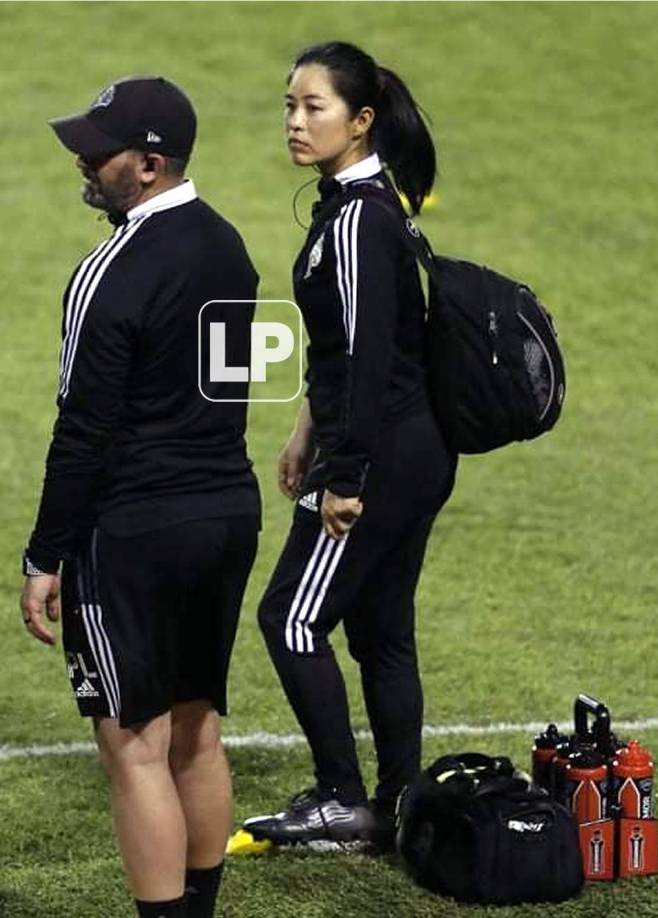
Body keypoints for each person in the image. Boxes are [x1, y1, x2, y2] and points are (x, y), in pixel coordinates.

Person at [19, 76, 261, 918]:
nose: (83, 163)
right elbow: (231, 385)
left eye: (100, 153)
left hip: (135, 529)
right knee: (196, 728)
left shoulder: (109, 270)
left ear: (150, 164)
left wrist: (45, 553)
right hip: (225, 512)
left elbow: (83, 431)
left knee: (134, 748)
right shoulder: (229, 247)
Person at [243, 42, 455, 849]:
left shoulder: (360, 219)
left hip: (381, 454)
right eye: (288, 106)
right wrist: (305, 427)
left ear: (360, 120)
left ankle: (341, 796)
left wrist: (346, 476)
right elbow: (347, 346)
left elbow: (367, 357)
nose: (295, 122)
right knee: (381, 631)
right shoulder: (357, 205)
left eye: (314, 107)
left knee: (290, 620)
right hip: (411, 446)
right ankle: (398, 806)